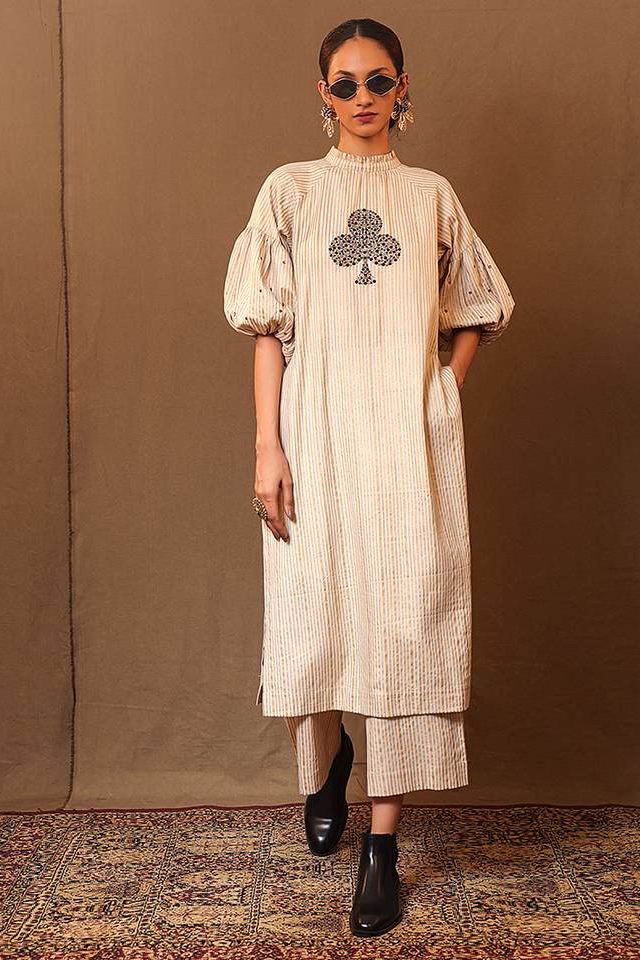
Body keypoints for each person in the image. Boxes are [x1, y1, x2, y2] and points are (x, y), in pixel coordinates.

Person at [223, 17, 515, 938]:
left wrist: (440, 392)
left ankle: (381, 850)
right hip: (312, 433)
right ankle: (325, 770)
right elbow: (268, 331)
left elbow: (476, 305)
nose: (362, 98)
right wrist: (267, 447)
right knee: (312, 614)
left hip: (403, 442)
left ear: (402, 89)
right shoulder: (291, 190)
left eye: (377, 81)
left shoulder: (431, 196)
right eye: (344, 83)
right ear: (323, 93)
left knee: (403, 622)